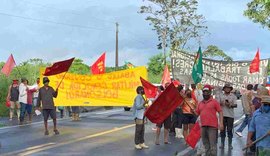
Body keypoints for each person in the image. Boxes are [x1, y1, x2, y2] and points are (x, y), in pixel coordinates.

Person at [196, 84, 223, 156]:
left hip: (212, 127)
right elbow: (197, 113)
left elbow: (220, 111)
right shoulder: (200, 103)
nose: (205, 94)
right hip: (203, 127)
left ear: (210, 93)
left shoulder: (214, 102)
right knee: (206, 145)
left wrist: (221, 123)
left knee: (213, 145)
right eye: (204, 92)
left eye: (207, 92)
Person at [247, 86, 270, 155]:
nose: (267, 106)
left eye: (268, 105)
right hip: (260, 145)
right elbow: (252, 127)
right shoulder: (256, 114)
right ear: (261, 103)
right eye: (265, 104)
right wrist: (249, 139)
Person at [216, 83, 237, 150]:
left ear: (230, 89)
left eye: (229, 88)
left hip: (230, 115)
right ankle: (222, 144)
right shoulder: (220, 95)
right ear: (224, 89)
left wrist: (230, 105)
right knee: (222, 130)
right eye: (226, 88)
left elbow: (236, 105)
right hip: (222, 115)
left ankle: (230, 144)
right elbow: (216, 104)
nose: (227, 89)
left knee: (230, 130)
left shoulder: (233, 96)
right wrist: (221, 103)